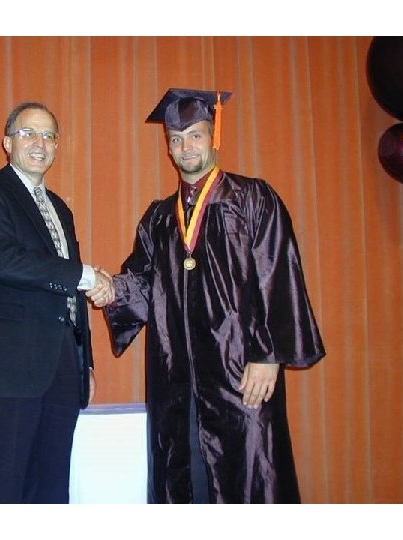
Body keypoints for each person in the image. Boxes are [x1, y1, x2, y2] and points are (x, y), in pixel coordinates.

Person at [92, 88, 325, 503]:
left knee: (250, 475)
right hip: (177, 377)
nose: (186, 147)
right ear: (168, 147)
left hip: (239, 373)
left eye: (195, 136)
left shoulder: (252, 199)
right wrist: (109, 287)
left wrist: (268, 355)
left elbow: (278, 273)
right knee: (187, 478)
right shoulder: (159, 218)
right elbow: (142, 284)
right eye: (176, 139)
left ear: (214, 137)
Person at [0, 101, 114, 503]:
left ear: (57, 146)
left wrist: (84, 363)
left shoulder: (61, 208)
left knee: (51, 490)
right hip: (7, 369)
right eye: (28, 133)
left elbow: (68, 291)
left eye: (48, 136)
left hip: (61, 371)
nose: (39, 143)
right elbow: (6, 261)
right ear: (7, 142)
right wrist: (89, 276)